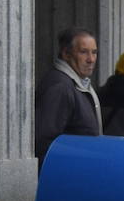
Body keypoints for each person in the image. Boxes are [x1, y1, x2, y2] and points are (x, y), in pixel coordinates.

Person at [34, 28, 102, 166]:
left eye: (94, 52)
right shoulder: (60, 87)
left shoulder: (77, 83)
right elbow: (44, 142)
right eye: (83, 52)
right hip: (67, 171)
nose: (91, 59)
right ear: (66, 54)